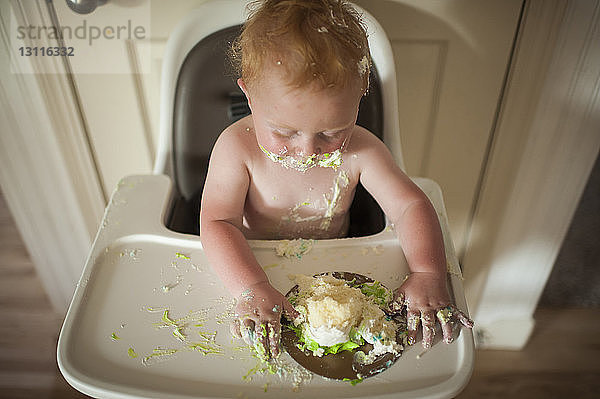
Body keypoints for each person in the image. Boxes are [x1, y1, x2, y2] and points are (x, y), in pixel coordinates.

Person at [199, 0, 472, 360]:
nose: (306, 150)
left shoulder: (362, 151)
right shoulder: (237, 149)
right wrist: (250, 287)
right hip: (256, 266)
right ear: (249, 96)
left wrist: (427, 271)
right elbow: (218, 221)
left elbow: (410, 205)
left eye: (331, 132)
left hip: (334, 269)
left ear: (361, 94)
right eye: (284, 131)